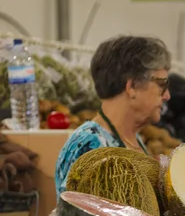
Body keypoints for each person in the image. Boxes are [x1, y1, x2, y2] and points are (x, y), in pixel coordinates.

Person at [55, 36, 170, 195]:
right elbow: (77, 211)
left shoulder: (133, 139)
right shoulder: (88, 144)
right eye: (162, 85)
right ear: (132, 87)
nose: (167, 96)